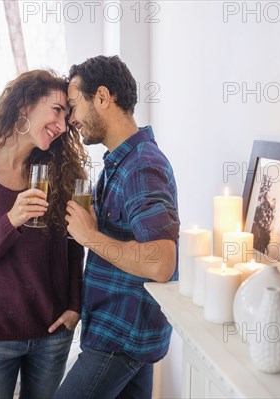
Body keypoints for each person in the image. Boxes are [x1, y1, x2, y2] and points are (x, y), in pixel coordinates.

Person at [0, 70, 88, 399]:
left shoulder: (57, 173)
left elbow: (73, 248)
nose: (63, 125)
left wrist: (75, 304)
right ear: (24, 105)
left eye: (67, 116)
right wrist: (11, 220)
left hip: (52, 335)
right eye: (56, 110)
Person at [56, 55, 180, 398]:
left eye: (74, 105)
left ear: (103, 97)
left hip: (121, 337)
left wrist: (90, 237)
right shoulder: (119, 163)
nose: (71, 119)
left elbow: (161, 263)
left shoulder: (140, 167)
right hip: (122, 331)